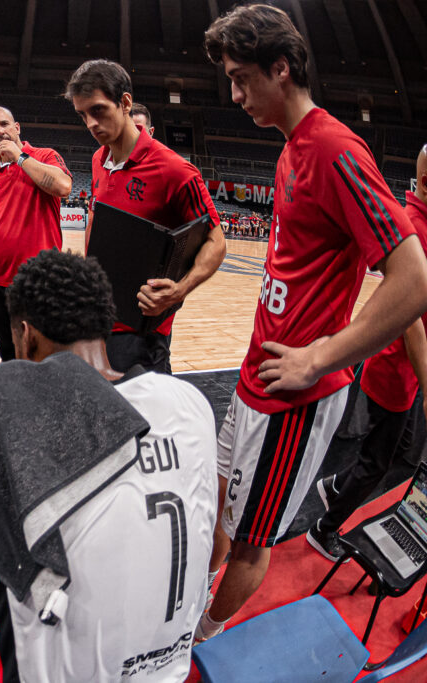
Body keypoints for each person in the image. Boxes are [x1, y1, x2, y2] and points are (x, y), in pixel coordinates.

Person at [197, 4, 427, 641]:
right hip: (255, 378)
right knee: (220, 515)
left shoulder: (332, 148)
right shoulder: (292, 148)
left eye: (244, 79)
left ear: (283, 68)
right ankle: (186, 609)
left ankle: (199, 638)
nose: (236, 95)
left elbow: (413, 278)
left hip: (293, 395)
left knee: (250, 542)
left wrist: (322, 357)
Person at [0, 250, 217, 682]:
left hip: (49, 674)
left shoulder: (19, 422)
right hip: (169, 666)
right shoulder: (189, 403)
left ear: (25, 336)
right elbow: (216, 541)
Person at [307, 147, 427, 560]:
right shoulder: (415, 229)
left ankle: (335, 485)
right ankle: (324, 529)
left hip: (403, 371)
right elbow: (411, 318)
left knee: (395, 448)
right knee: (378, 462)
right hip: (395, 369)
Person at [69, 59, 225, 374]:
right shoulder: (99, 159)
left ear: (125, 103)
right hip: (101, 318)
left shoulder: (175, 170)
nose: (90, 124)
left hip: (144, 331)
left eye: (98, 110)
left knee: (148, 419)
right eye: (82, 115)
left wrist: (180, 290)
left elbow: (216, 242)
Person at [0, 106, 72, 361]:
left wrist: (20, 157)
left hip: (38, 280)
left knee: (43, 352)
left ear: (17, 128)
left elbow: (63, 186)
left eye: (4, 124)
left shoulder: (44, 155)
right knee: (8, 350)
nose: (0, 131)